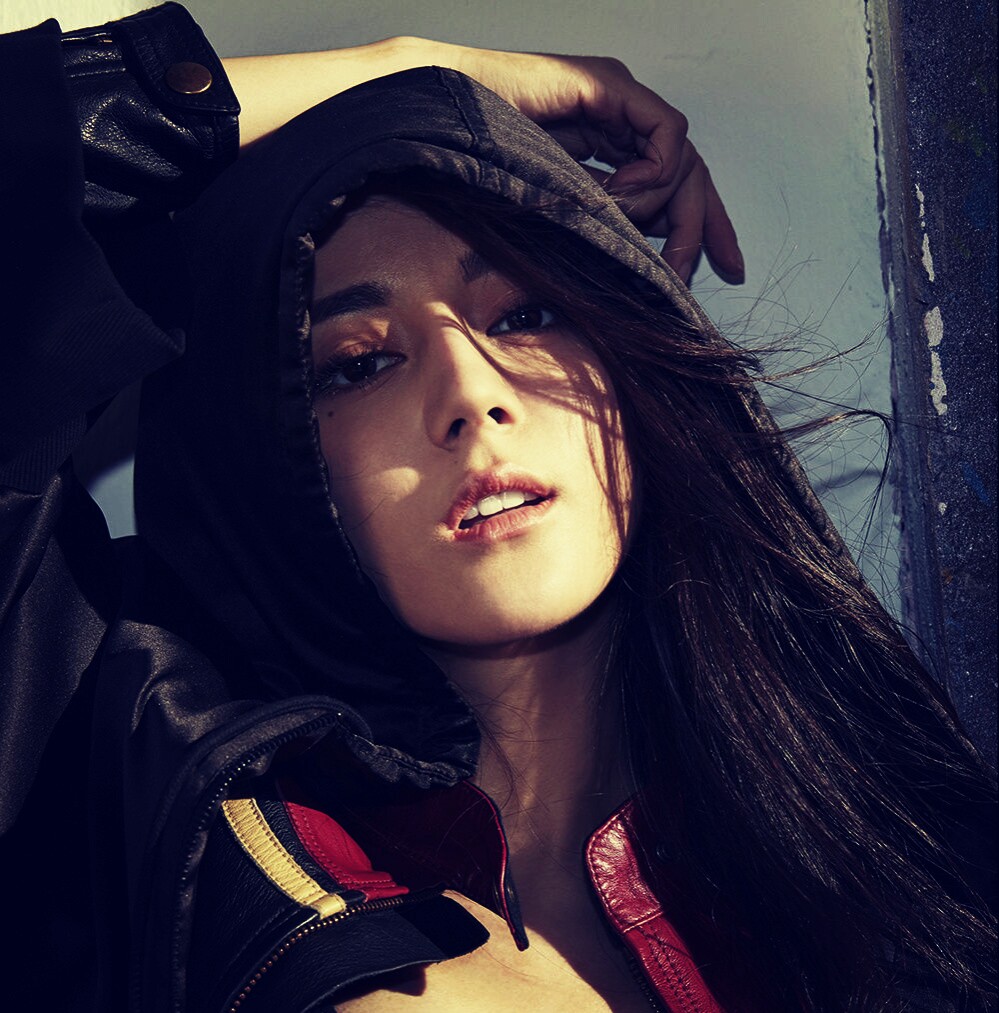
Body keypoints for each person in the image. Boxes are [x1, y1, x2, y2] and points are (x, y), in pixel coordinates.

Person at [0, 4, 994, 1012]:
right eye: (360, 362)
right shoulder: (130, 767)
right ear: (271, 448)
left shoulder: (881, 859)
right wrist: (413, 71)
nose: (472, 395)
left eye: (524, 314)